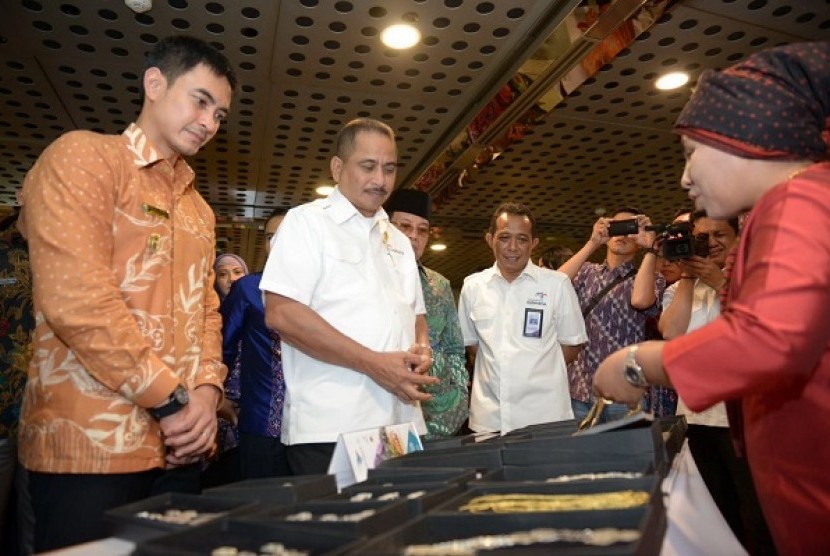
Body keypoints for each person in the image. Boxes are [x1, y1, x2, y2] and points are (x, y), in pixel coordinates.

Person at [592, 41, 830, 554]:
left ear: (746, 138)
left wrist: (639, 362)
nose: (684, 178)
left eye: (691, 154)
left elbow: (769, 341)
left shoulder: (800, 201)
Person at [17, 35, 235, 551]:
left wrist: (206, 396)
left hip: (180, 450)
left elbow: (207, 310)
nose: (209, 123)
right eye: (200, 101)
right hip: (89, 447)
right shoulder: (85, 158)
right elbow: (78, 302)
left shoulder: (198, 210)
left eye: (221, 115)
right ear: (154, 83)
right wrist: (174, 401)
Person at [260, 118, 437, 475]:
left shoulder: (399, 241)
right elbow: (281, 314)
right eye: (368, 167)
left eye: (389, 169)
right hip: (333, 426)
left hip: (399, 423)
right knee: (348, 527)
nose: (380, 180)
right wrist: (374, 363)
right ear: (338, 168)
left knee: (397, 522)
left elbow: (416, 315)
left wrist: (422, 347)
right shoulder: (306, 223)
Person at [458, 202, 587, 434]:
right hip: (489, 418)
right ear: (490, 240)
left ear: (533, 243)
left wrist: (533, 369)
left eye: (522, 239)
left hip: (545, 416)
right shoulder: (472, 286)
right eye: (505, 237)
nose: (513, 247)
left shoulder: (557, 285)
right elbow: (474, 348)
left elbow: (572, 345)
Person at [559, 208, 665, 423]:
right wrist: (593, 242)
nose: (622, 235)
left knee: (625, 455)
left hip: (626, 390)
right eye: (616, 228)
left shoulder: (651, 277)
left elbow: (640, 301)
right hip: (580, 388)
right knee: (579, 454)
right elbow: (553, 284)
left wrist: (651, 249)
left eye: (631, 229)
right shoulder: (587, 272)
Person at [384, 189, 469, 440]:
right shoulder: (369, 278)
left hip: (439, 417)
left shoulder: (439, 285)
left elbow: (455, 348)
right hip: (384, 409)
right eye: (405, 226)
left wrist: (457, 399)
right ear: (385, 227)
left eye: (422, 230)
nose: (413, 236)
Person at [219, 208, 290, 479]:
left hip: (315, 426)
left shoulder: (324, 289)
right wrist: (217, 396)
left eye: (288, 235)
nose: (279, 244)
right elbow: (221, 347)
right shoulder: (249, 288)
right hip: (262, 423)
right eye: (271, 237)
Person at [0, 210, 33, 555]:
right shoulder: (4, 253)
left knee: (36, 528)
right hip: (3, 410)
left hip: (53, 417)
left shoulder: (72, 253)